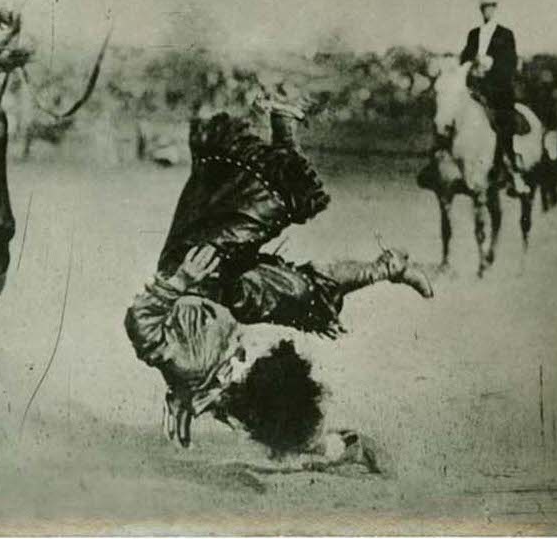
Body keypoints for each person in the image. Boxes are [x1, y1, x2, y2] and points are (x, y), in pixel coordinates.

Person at [124, 92, 434, 469]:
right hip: (230, 297)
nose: (249, 355)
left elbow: (140, 320)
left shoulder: (189, 365)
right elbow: (296, 434)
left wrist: (178, 282)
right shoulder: (242, 404)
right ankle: (390, 267)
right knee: (308, 295)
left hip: (192, 268)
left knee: (271, 194)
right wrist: (349, 448)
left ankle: (274, 118)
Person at [459, 0, 529, 196]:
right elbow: (464, 58)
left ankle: (513, 170)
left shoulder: (505, 34)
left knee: (504, 121)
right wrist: (471, 66)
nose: (487, 11)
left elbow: (510, 62)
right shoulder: (473, 34)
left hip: (498, 90)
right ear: (481, 9)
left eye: (490, 7)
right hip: (475, 88)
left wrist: (492, 65)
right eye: (484, 7)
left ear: (495, 9)